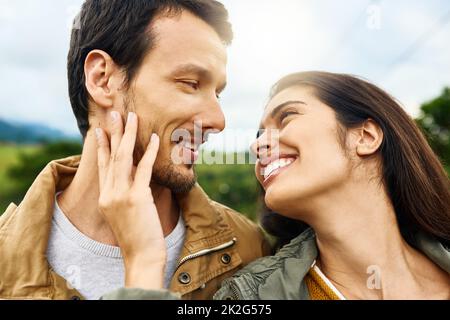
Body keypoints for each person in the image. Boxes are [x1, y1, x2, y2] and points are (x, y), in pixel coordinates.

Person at [0, 0, 270, 300]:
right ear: (102, 79)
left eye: (217, 93)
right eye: (191, 83)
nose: (218, 121)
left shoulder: (250, 251)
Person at [99, 71, 450, 300]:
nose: (257, 146)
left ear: (366, 135)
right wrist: (144, 260)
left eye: (287, 117)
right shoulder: (249, 299)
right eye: (257, 135)